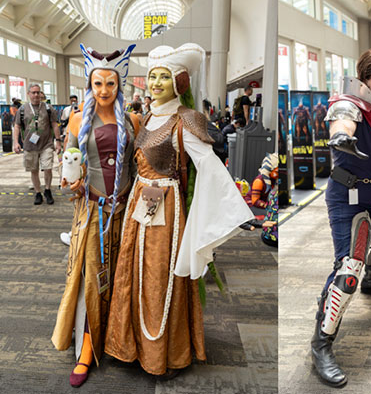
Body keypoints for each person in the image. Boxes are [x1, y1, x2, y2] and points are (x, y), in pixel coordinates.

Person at [104, 44, 252, 377]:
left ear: (179, 83)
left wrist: (233, 210)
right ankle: (128, 345)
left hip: (165, 207)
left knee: (159, 276)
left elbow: (209, 166)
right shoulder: (147, 115)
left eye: (163, 77)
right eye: (153, 76)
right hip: (139, 203)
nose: (155, 83)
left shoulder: (185, 120)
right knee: (132, 269)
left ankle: (161, 354)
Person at [310, 50, 371, 387]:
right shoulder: (348, 102)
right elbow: (341, 120)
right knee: (347, 267)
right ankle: (321, 343)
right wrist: (341, 135)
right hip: (347, 196)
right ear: (364, 78)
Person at [53, 45, 139, 387]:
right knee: (91, 279)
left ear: (120, 85)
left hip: (126, 211)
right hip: (90, 212)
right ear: (89, 85)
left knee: (123, 277)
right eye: (98, 84)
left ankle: (119, 340)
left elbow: (137, 165)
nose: (104, 91)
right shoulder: (77, 119)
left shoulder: (133, 121)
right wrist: (70, 184)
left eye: (111, 84)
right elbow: (69, 165)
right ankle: (86, 347)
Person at [12, 83, 61, 205]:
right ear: (28, 94)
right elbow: (17, 126)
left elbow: (55, 125)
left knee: (48, 168)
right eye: (33, 92)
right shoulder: (22, 110)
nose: (36, 95)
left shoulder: (48, 108)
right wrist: (15, 142)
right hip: (30, 145)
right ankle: (38, 192)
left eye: (38, 92)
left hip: (47, 144)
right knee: (34, 170)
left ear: (41, 94)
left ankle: (48, 190)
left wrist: (58, 142)